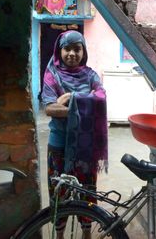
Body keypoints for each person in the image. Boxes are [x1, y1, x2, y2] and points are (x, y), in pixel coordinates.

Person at [41, 30, 108, 239]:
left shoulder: (90, 75)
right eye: (67, 48)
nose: (72, 53)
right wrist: (84, 101)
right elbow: (50, 109)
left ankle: (86, 233)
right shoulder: (52, 74)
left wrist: (69, 98)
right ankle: (59, 234)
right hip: (59, 144)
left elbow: (101, 99)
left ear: (83, 51)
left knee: (87, 191)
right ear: (59, 51)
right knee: (58, 190)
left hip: (85, 146)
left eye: (77, 49)